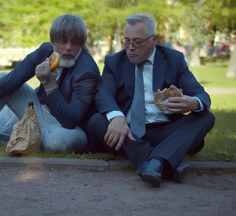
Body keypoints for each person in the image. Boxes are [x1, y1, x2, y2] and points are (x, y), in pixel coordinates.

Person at [87, 13, 215, 187]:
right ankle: (164, 163)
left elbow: (202, 96)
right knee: (97, 121)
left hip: (166, 130)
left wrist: (193, 102)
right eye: (126, 41)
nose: (130, 47)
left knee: (206, 116)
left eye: (137, 42)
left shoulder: (173, 60)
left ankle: (152, 162)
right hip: (128, 132)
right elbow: (103, 93)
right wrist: (117, 116)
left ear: (154, 39)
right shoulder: (114, 61)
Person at [0, 14, 100, 153]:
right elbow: (9, 82)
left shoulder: (87, 71)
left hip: (69, 129)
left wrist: (49, 84)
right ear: (53, 41)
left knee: (60, 141)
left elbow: (71, 119)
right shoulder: (45, 51)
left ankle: (19, 136)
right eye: (63, 41)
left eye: (75, 42)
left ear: (82, 43)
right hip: (40, 112)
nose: (68, 47)